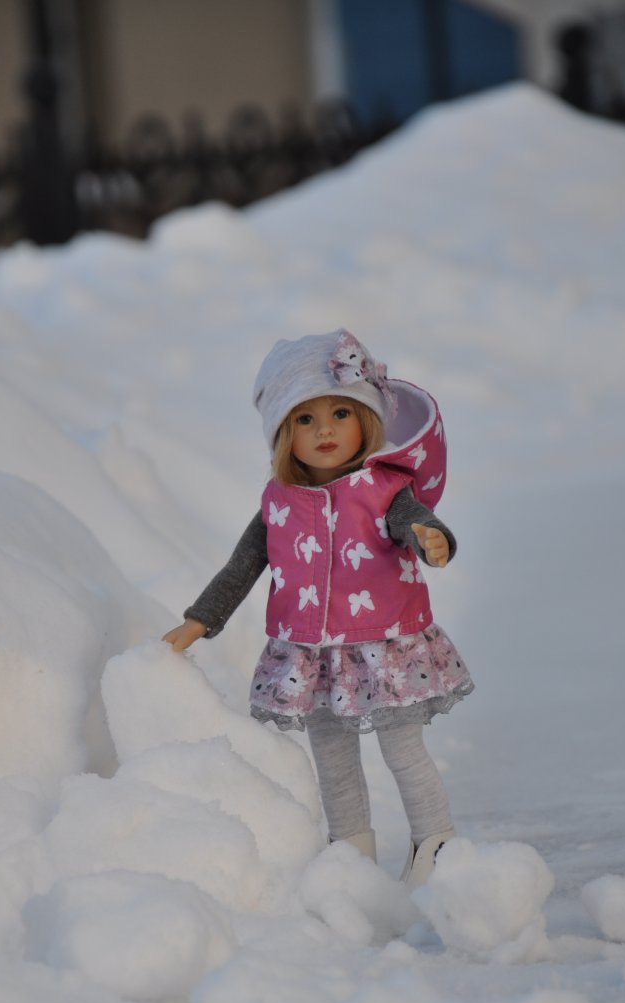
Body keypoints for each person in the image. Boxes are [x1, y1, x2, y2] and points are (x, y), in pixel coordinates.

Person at [163, 329, 473, 889]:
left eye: (339, 412)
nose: (325, 429)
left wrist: (431, 536)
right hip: (310, 652)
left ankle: (436, 843)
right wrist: (198, 620)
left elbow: (415, 520)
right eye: (304, 420)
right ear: (283, 435)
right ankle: (350, 853)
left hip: (384, 643)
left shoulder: (383, 489)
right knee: (332, 755)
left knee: (402, 747)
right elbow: (241, 568)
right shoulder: (277, 503)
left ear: (366, 419)